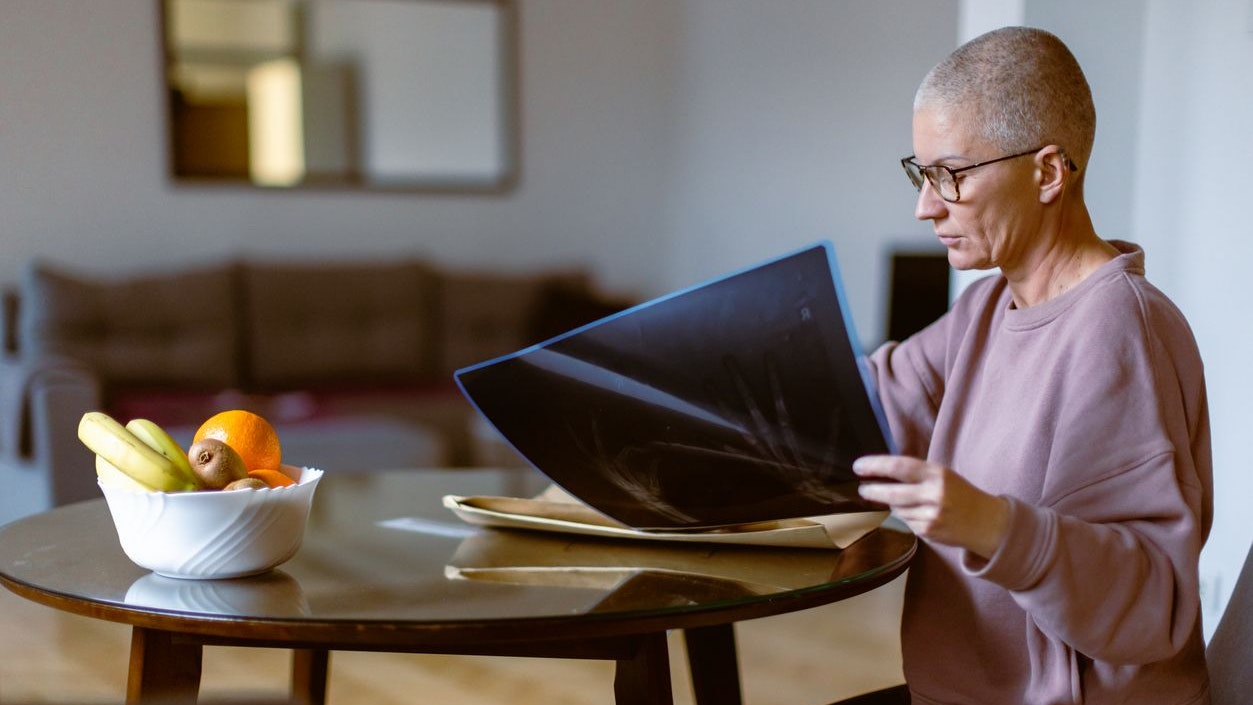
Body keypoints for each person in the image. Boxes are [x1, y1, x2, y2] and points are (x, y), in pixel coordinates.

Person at [852, 27, 1213, 704]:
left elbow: (1154, 601)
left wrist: (993, 525)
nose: (925, 206)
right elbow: (873, 400)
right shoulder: (988, 307)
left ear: (1047, 171)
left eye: (949, 175)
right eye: (920, 172)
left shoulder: (1120, 330)